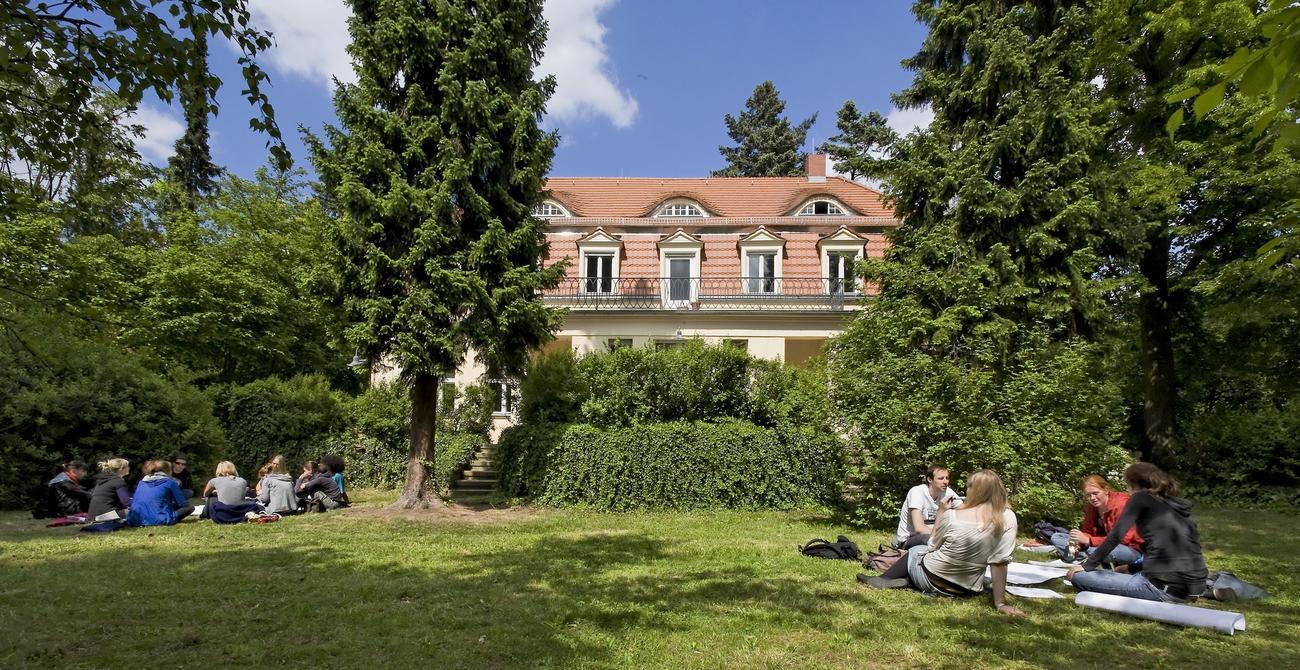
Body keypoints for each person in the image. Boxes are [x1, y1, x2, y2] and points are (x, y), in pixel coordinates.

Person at [863, 469, 1025, 617]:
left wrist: (942, 512)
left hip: (933, 578)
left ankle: (883, 579)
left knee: (917, 550)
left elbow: (932, 545)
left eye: (968, 487)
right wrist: (1000, 603)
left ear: (975, 491)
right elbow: (999, 562)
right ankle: (909, 582)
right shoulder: (1008, 517)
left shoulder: (952, 516)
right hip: (966, 589)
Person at [1066, 463, 1208, 602]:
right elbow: (1169, 551)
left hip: (1161, 589)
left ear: (1132, 483)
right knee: (1119, 572)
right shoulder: (1173, 505)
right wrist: (1132, 568)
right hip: (1194, 588)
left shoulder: (1139, 498)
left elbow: (1115, 537)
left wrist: (1086, 566)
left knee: (1079, 576)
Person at [1051, 475, 1143, 567]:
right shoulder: (1091, 507)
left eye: (1095, 493)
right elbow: (1088, 531)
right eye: (1088, 495)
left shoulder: (1122, 505)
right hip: (1100, 544)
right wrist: (1078, 544)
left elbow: (1123, 539)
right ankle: (1081, 557)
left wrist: (1089, 541)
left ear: (1106, 490)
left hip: (1131, 549)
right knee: (1057, 537)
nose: (1092, 498)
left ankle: (1085, 557)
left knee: (1097, 550)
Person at [893, 465, 960, 549]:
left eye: (947, 478)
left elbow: (965, 509)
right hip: (910, 538)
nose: (945, 482)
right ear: (930, 479)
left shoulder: (947, 492)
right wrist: (943, 535)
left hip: (934, 537)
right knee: (929, 539)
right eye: (941, 478)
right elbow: (919, 529)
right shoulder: (917, 492)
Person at [126, 460, 194, 527]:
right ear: (168, 470)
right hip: (158, 519)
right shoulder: (170, 482)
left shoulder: (142, 482)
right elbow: (183, 503)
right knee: (189, 508)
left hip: (135, 519)